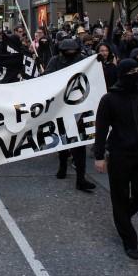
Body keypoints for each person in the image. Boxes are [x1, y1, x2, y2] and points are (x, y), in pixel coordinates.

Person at [94, 59, 138, 260]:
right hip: (119, 154)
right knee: (120, 196)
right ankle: (129, 240)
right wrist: (99, 156)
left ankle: (123, 217)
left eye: (137, 70)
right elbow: (101, 128)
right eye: (132, 71)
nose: (136, 73)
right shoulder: (109, 100)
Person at [45, 39, 96, 192]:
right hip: (61, 107)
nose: (70, 54)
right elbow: (48, 77)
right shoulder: (55, 61)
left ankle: (81, 178)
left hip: (79, 105)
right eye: (67, 51)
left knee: (79, 142)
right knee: (63, 139)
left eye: (72, 51)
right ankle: (62, 166)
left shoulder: (82, 60)